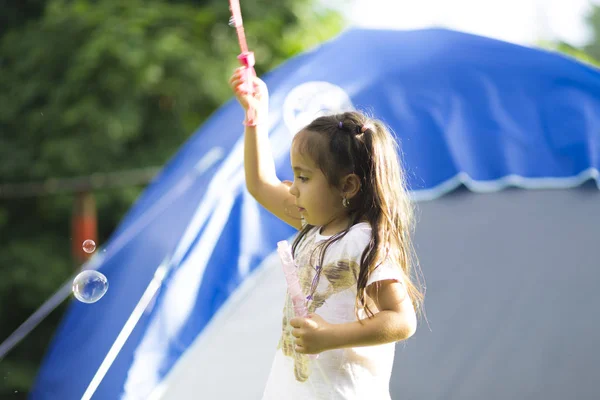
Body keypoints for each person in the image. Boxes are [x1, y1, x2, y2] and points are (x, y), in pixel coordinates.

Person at [229, 67, 424, 399]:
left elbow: (402, 320)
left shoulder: (363, 240)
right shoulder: (314, 227)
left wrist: (332, 335)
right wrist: (255, 116)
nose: (293, 190)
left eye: (303, 178)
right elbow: (260, 184)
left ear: (347, 185)